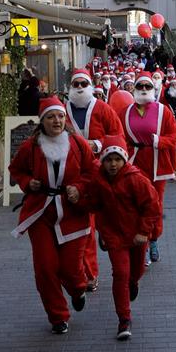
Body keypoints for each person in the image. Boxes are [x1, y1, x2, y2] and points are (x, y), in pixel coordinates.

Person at [9, 96, 96, 334]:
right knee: (46, 268)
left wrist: (78, 187)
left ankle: (77, 289)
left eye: (60, 116)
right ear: (42, 121)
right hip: (41, 213)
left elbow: (92, 171)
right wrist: (29, 183)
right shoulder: (31, 146)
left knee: (70, 268)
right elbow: (16, 169)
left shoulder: (78, 144)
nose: (56, 121)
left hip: (72, 212)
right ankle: (58, 316)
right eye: (50, 117)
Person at [79, 135, 160, 340]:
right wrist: (78, 199)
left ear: (124, 159)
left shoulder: (136, 179)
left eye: (117, 159)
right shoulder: (99, 181)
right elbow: (93, 204)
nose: (113, 164)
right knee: (120, 274)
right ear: (103, 161)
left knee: (136, 271)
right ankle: (124, 319)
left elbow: (152, 206)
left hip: (136, 236)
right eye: (108, 159)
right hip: (114, 236)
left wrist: (143, 232)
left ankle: (134, 282)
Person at [65, 68, 124, 292]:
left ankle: (108, 240)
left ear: (90, 85)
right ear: (71, 87)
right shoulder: (62, 111)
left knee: (105, 221)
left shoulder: (103, 109)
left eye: (83, 84)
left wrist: (97, 145)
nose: (80, 87)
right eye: (76, 84)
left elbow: (117, 137)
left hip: (102, 174)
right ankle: (89, 273)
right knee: (85, 226)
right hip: (74, 176)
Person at [121, 71, 176, 264]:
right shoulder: (126, 112)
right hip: (135, 164)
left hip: (157, 165)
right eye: (140, 86)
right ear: (134, 89)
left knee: (155, 205)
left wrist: (158, 141)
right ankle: (142, 246)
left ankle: (154, 239)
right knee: (137, 205)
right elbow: (122, 138)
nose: (144, 90)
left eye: (147, 86)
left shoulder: (163, 110)